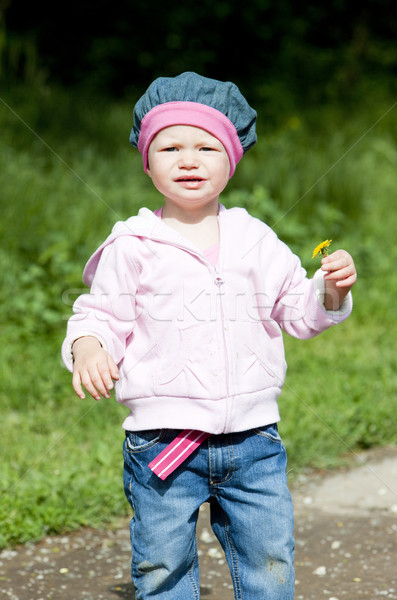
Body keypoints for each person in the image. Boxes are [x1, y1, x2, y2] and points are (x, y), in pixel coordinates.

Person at [62, 71, 357, 600]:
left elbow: (297, 309)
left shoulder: (254, 239)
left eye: (206, 146)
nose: (189, 159)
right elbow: (99, 315)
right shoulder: (133, 245)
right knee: (161, 562)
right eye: (170, 146)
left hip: (253, 441)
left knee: (269, 558)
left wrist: (329, 291)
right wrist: (88, 347)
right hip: (163, 440)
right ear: (147, 160)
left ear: (233, 156)